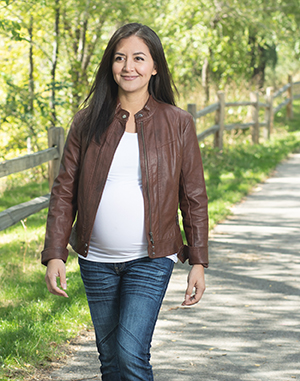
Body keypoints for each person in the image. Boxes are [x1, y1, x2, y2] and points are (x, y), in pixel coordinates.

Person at [42, 23, 208, 381]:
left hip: (151, 258)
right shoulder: (87, 121)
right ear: (110, 66)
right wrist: (55, 253)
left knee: (131, 355)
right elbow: (64, 191)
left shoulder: (177, 123)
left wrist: (198, 260)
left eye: (138, 58)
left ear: (154, 67)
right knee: (110, 362)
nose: (128, 67)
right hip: (95, 260)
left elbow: (192, 196)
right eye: (120, 58)